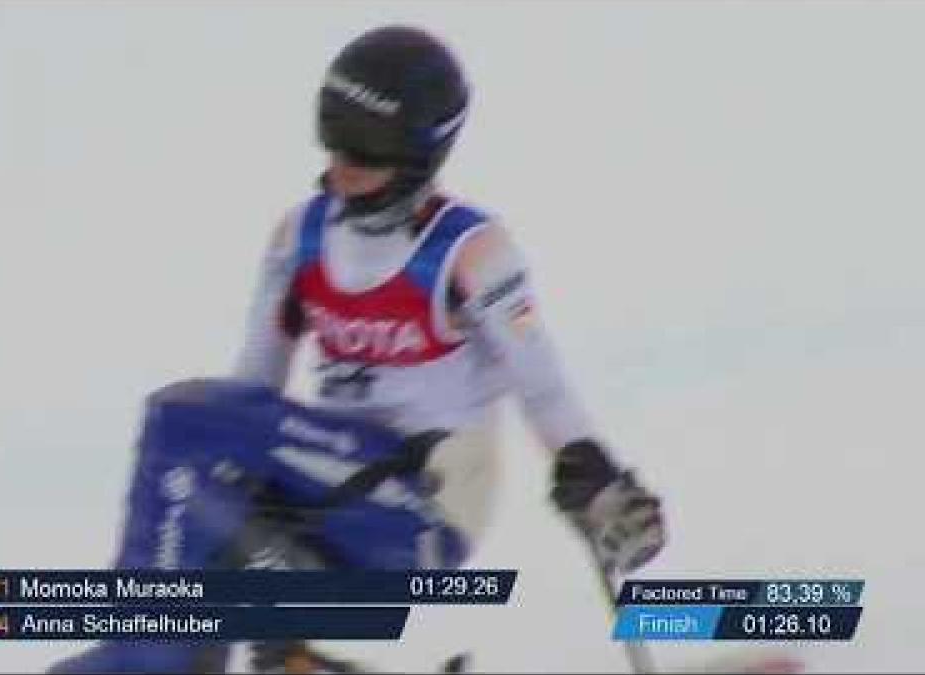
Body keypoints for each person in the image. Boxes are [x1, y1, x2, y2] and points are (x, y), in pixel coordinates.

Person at [50, 25, 665, 674]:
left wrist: (599, 482)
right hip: (331, 489)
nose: (342, 170)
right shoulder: (303, 236)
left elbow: (543, 385)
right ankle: (226, 653)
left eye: (365, 154)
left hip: (420, 509)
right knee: (189, 472)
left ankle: (162, 658)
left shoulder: (467, 251)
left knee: (184, 421)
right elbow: (250, 394)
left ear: (418, 157)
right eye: (335, 143)